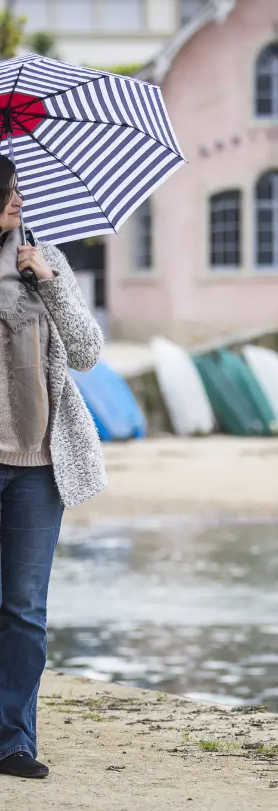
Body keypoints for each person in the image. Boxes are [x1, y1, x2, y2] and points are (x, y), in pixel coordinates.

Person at [0, 155, 106, 780]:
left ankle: (14, 741)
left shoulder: (46, 259)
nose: (17, 200)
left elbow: (89, 353)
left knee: (22, 607)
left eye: (17, 188)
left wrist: (49, 282)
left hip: (40, 465)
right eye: (5, 190)